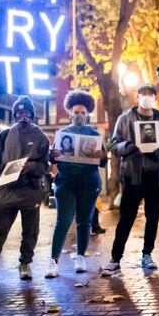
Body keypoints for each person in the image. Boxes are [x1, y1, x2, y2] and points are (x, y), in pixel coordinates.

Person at [0, 97, 50, 283]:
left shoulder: (41, 137)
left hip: (30, 190)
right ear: (15, 114)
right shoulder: (5, 135)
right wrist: (4, 174)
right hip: (6, 190)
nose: (23, 116)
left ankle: (25, 263)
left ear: (32, 114)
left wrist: (32, 167)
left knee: (30, 230)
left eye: (26, 113)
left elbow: (45, 166)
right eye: (19, 113)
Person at [102, 84, 159, 274]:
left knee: (153, 217)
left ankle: (147, 254)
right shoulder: (125, 119)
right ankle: (115, 258)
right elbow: (114, 145)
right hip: (132, 176)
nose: (147, 98)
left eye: (151, 95)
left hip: (154, 176)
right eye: (143, 95)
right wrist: (129, 147)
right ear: (137, 97)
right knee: (126, 217)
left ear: (155, 98)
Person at [46, 90, 107, 278]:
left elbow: (103, 161)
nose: (79, 115)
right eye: (76, 112)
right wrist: (52, 156)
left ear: (87, 114)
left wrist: (101, 156)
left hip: (88, 182)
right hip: (66, 182)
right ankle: (53, 261)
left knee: (85, 221)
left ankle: (80, 256)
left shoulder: (94, 134)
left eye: (82, 112)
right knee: (63, 221)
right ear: (70, 113)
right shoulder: (62, 134)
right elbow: (53, 160)